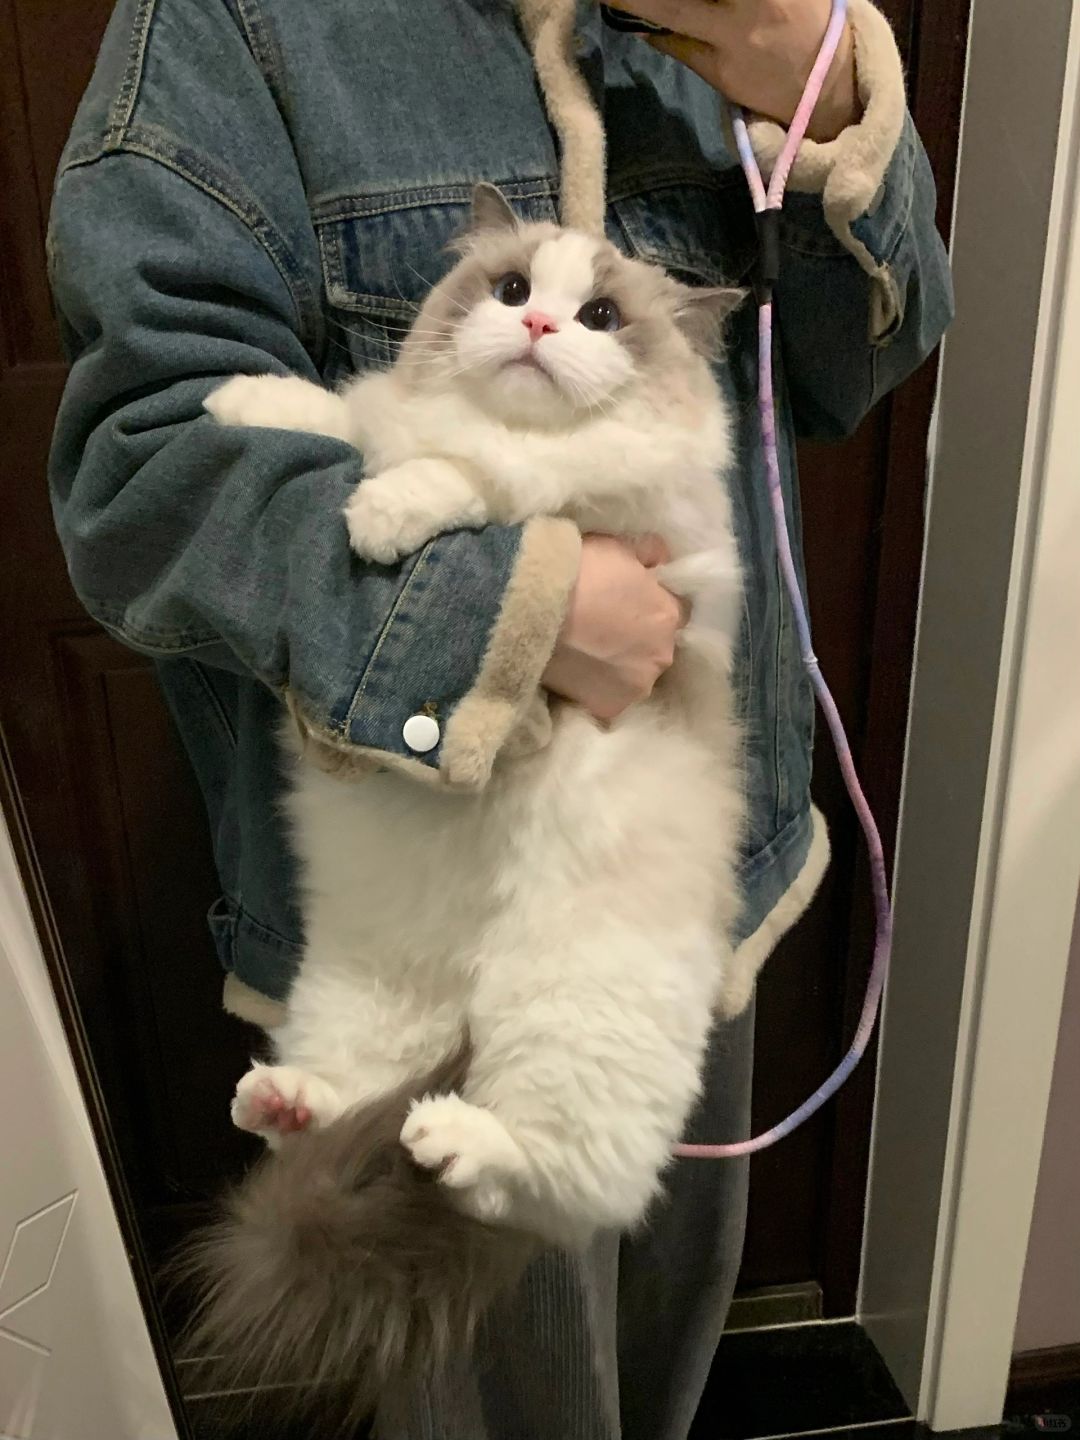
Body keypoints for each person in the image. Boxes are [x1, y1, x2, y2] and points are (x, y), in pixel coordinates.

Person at [47, 1, 952, 1435]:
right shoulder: (233, 29)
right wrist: (518, 611)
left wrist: (825, 103)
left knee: (657, 1345)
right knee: (477, 1370)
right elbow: (140, 477)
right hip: (424, 905)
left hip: (701, 889)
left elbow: (850, 375)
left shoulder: (751, 16)